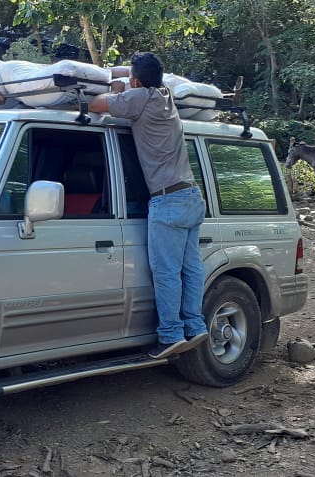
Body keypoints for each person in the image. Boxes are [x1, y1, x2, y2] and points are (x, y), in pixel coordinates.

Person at [90, 52, 210, 359]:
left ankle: (170, 335)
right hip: (192, 196)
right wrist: (120, 76)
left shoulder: (138, 98)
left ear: (137, 81)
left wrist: (117, 90)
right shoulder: (165, 94)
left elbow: (95, 105)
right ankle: (195, 326)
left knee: (166, 272)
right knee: (191, 268)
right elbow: (139, 76)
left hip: (167, 199)